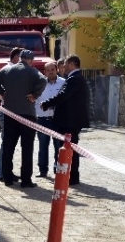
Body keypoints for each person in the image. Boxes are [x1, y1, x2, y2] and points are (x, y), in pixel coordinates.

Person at [0, 50, 47, 188]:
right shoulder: (32, 72)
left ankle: (7, 177)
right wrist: (34, 94)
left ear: (20, 58)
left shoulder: (8, 70)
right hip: (27, 114)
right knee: (27, 148)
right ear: (31, 60)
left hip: (10, 114)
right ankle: (26, 180)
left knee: (8, 146)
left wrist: (2, 92)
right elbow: (43, 80)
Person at [40, 55, 90, 186]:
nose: (64, 66)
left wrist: (47, 103)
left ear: (72, 64)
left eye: (66, 63)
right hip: (70, 120)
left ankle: (72, 177)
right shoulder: (75, 78)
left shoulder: (75, 79)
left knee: (70, 149)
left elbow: (63, 95)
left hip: (70, 121)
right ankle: (70, 175)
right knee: (69, 148)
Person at [34, 61, 66, 178]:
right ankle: (42, 170)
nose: (51, 72)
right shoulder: (40, 84)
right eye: (48, 70)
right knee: (43, 146)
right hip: (42, 119)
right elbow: (36, 101)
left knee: (58, 146)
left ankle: (57, 169)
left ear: (57, 70)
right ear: (45, 72)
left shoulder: (63, 83)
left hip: (57, 120)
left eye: (53, 69)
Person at [0, 47, 23, 182]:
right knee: (7, 143)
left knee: (10, 144)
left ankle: (7, 171)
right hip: (7, 112)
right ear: (15, 58)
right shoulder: (9, 71)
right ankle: (1, 172)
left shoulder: (16, 71)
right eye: (22, 58)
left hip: (14, 111)